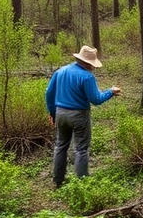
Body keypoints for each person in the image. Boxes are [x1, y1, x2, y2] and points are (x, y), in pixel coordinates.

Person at [45, 45, 121, 188]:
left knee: (60, 146)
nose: (94, 67)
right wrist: (111, 91)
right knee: (81, 149)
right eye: (93, 64)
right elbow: (96, 99)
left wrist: (52, 112)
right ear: (87, 63)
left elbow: (49, 93)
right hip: (79, 115)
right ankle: (83, 184)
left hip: (60, 113)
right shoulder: (87, 77)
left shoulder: (61, 71)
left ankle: (57, 180)